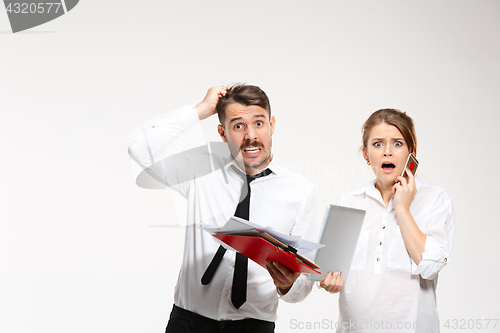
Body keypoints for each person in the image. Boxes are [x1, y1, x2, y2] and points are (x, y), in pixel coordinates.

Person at [128, 84, 317, 333]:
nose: (250, 135)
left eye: (258, 123)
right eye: (238, 125)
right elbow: (140, 149)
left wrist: (288, 285)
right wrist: (200, 110)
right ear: (223, 132)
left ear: (271, 125)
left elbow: (302, 287)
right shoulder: (201, 170)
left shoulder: (300, 191)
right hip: (188, 324)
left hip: (253, 328)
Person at [320, 109, 455, 333]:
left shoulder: (435, 199)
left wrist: (402, 207)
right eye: (378, 144)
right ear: (365, 154)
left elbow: (429, 266)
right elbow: (330, 273)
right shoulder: (348, 202)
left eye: (398, 144)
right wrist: (329, 281)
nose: (388, 152)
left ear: (412, 152)